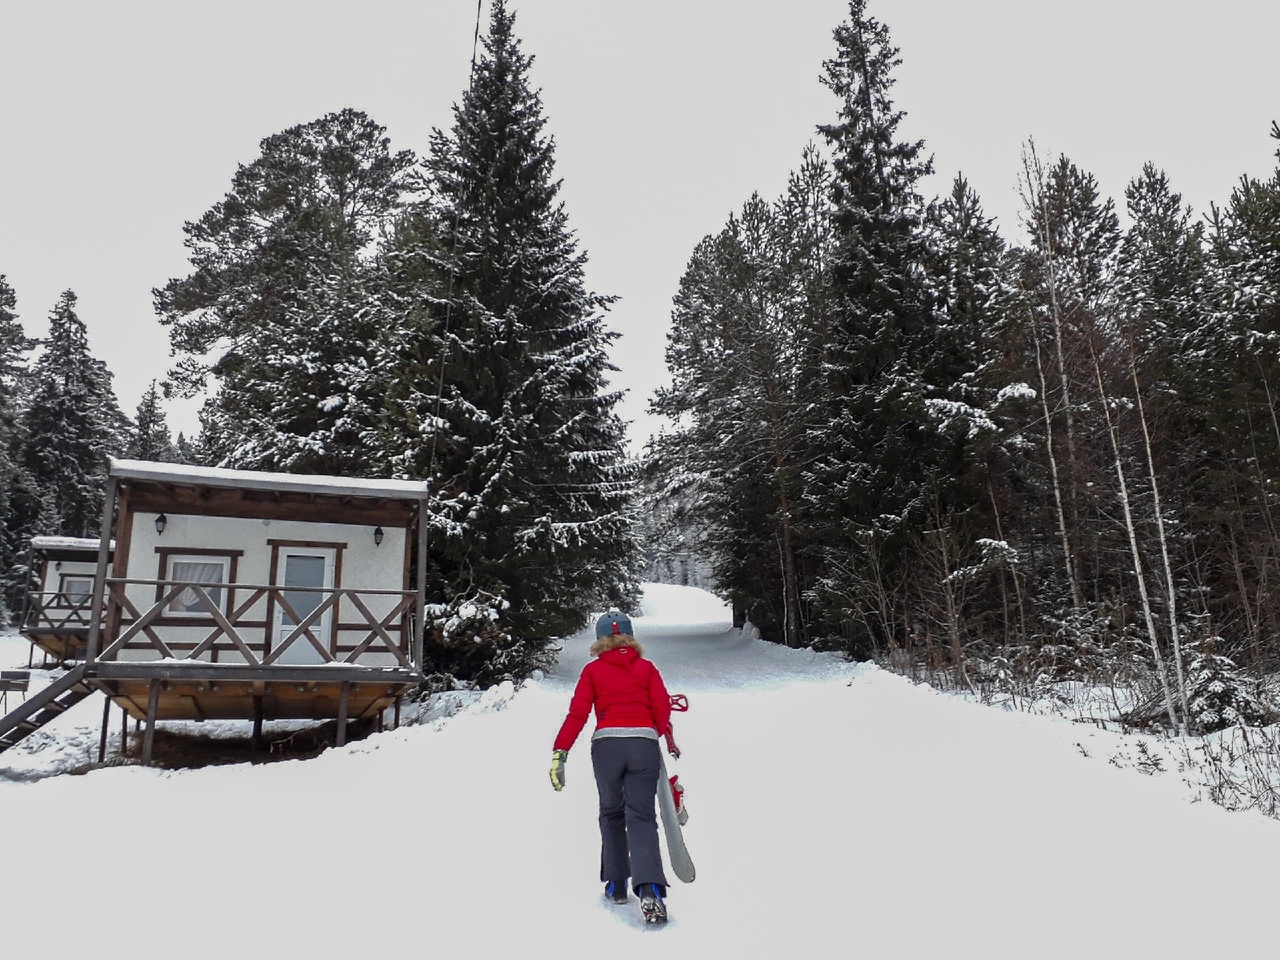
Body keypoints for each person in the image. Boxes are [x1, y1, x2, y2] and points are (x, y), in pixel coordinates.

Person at [550, 609, 678, 924]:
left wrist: (560, 752)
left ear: (599, 640)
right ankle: (650, 889)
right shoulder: (647, 668)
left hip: (606, 746)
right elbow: (662, 709)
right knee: (642, 816)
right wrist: (652, 733)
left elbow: (577, 714)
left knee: (611, 812)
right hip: (643, 744)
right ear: (630, 637)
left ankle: (617, 883)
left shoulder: (592, 672)